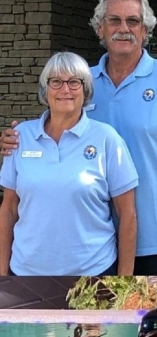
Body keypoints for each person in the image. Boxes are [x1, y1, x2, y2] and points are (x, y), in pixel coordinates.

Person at [1, 0, 157, 275]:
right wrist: (14, 140)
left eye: (133, 21)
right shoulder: (80, 82)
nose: (124, 28)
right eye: (114, 20)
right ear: (100, 29)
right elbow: (51, 136)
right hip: (97, 246)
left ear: (145, 31)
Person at [0, 51, 138, 276]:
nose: (65, 89)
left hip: (94, 274)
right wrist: (2, 275)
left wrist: (125, 279)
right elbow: (8, 209)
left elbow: (128, 214)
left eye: (74, 82)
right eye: (56, 82)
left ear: (86, 90)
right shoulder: (19, 137)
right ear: (45, 91)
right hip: (25, 275)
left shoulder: (107, 139)